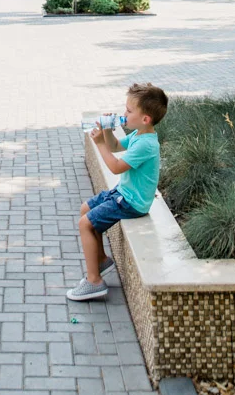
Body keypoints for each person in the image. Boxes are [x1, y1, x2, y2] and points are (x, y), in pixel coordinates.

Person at [67, 82, 169, 301]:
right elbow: (114, 146)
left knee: (85, 223)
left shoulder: (146, 145)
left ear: (145, 119)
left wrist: (99, 144)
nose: (124, 114)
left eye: (129, 111)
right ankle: (102, 259)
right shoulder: (139, 135)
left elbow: (114, 166)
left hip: (132, 202)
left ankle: (94, 281)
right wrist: (106, 131)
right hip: (123, 192)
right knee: (85, 209)